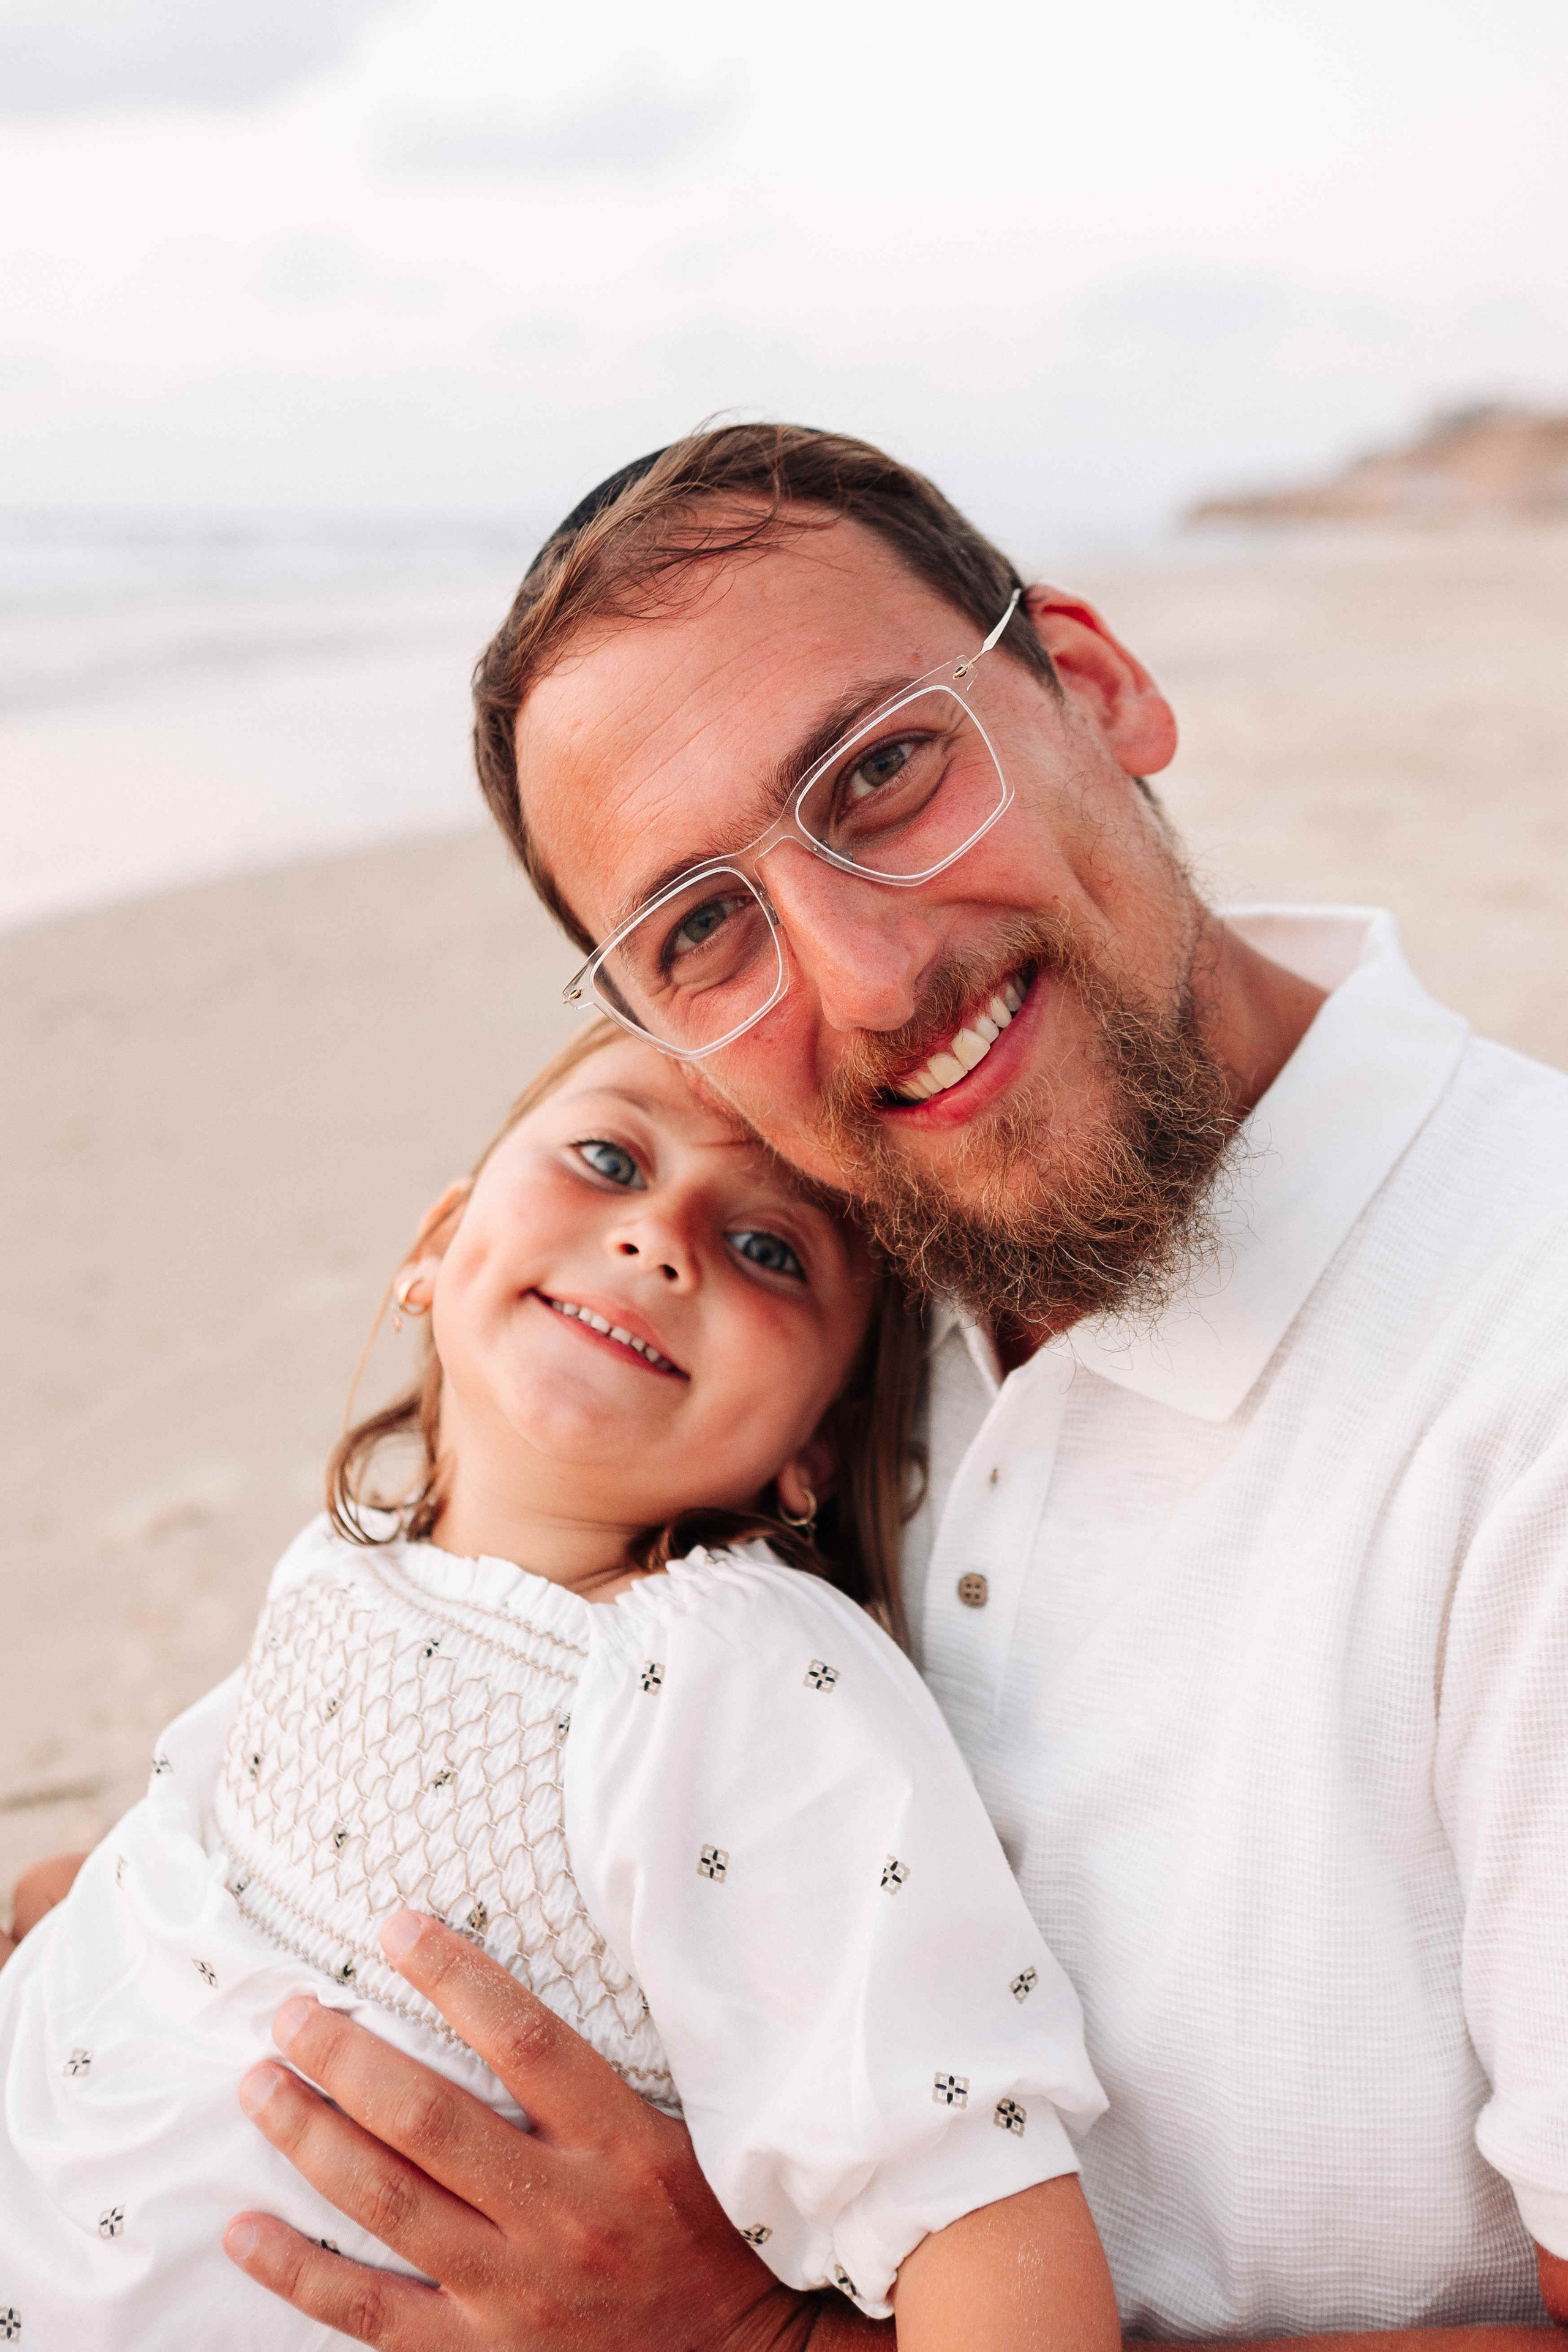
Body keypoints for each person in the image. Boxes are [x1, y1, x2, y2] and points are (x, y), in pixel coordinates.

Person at [17, 421, 1568, 2350]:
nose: (864, 972)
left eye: (889, 771)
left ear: (1093, 687)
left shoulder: (1525, 1375)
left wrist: (762, 2343)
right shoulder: (880, 1234)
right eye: (701, 928)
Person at [0, 1020, 1119, 2350]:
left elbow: (978, 2208)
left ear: (806, 1451)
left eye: (771, 1250)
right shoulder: (356, 1548)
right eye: (606, 1156)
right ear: (436, 1245)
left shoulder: (741, 1674)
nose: (659, 1237)